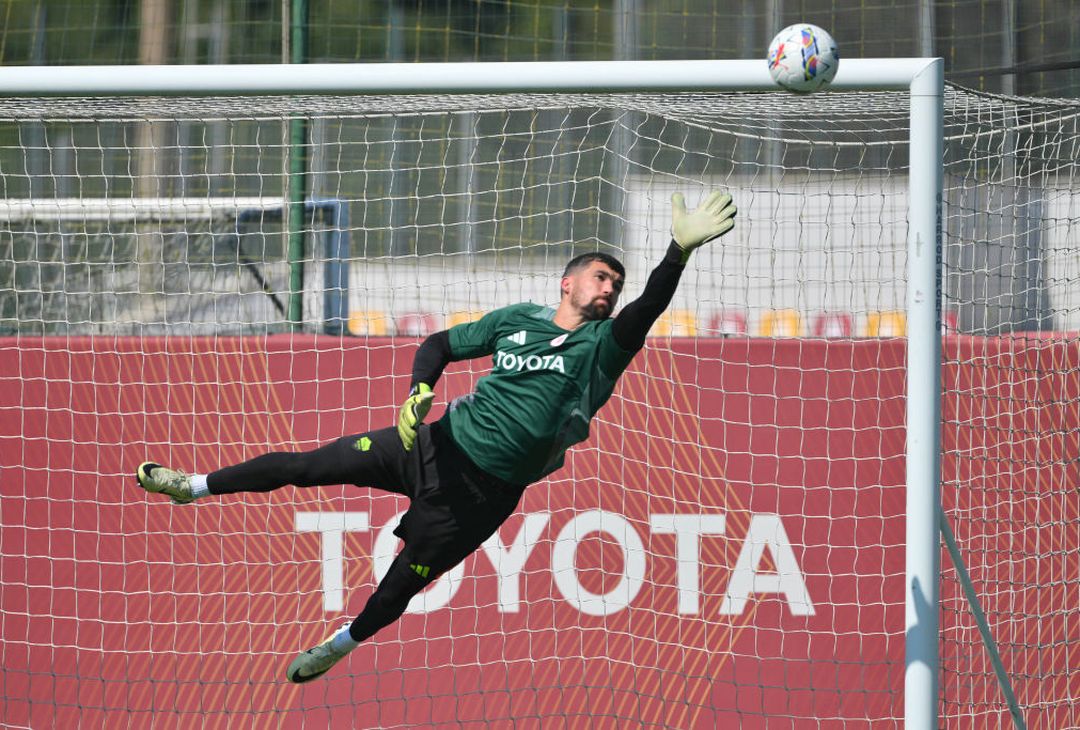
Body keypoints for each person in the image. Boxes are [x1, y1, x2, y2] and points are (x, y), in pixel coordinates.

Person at [135, 190, 737, 683]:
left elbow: (647, 308)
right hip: (431, 444)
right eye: (601, 277)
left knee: (401, 584)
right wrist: (419, 391)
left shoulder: (603, 347)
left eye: (616, 284)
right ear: (567, 281)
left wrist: (677, 253)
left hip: (481, 495)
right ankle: (193, 486)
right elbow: (439, 344)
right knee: (308, 465)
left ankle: (341, 644)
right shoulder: (516, 321)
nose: (609, 289)